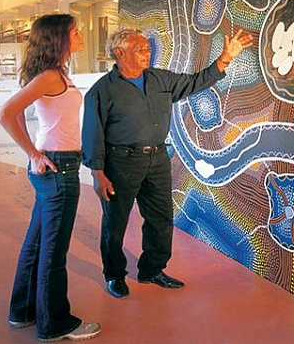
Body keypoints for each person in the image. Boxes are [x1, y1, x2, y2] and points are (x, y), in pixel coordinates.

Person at [82, 28, 252, 299]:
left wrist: (225, 59)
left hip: (158, 160)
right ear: (120, 53)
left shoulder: (159, 78)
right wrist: (98, 173)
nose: (147, 52)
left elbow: (195, 82)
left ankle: (152, 269)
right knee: (115, 223)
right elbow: (93, 133)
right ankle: (114, 275)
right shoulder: (101, 91)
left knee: (161, 218)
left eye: (148, 48)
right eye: (140, 49)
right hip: (121, 163)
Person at [0, 14, 101, 342]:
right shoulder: (50, 76)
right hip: (58, 168)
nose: (81, 34)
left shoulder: (55, 73)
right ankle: (54, 324)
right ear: (59, 38)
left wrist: (36, 154)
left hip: (56, 165)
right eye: (75, 31)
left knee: (37, 243)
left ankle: (23, 311)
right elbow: (5, 113)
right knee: (53, 251)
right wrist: (33, 153)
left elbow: (20, 113)